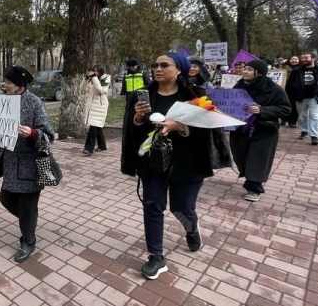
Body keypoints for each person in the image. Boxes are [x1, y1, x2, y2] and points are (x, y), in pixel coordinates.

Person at [121, 52, 213, 280]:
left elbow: (208, 131)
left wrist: (179, 126)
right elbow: (131, 133)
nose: (158, 69)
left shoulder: (195, 96)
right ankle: (156, 257)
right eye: (155, 65)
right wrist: (138, 119)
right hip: (153, 162)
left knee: (181, 208)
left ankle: (191, 227)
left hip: (187, 163)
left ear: (179, 69)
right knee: (153, 206)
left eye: (164, 65)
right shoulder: (141, 96)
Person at [0, 66, 55, 263]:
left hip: (29, 165)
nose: (4, 85)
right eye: (5, 81)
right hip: (9, 163)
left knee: (27, 206)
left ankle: (28, 241)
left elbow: (49, 136)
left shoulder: (34, 103)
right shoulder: (1, 101)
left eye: (8, 82)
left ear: (19, 84)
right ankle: (29, 221)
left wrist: (32, 134)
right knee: (6, 198)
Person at [229, 60, 291, 202]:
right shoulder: (239, 85)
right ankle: (248, 176)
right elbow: (232, 102)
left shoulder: (274, 89)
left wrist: (263, 110)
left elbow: (285, 109)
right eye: (245, 68)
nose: (245, 71)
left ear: (260, 73)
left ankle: (254, 188)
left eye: (249, 69)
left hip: (263, 130)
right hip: (241, 128)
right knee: (241, 155)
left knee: (258, 160)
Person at [287, 52, 318, 145]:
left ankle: (314, 136)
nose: (303, 60)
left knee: (315, 115)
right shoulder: (296, 71)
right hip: (300, 96)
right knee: (302, 116)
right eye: (302, 58)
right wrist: (292, 92)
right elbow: (290, 83)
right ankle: (304, 131)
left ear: (313, 58)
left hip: (315, 96)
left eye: (306, 58)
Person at [83, 65, 110, 155]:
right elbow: (82, 89)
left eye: (97, 71)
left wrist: (94, 77)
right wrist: (86, 79)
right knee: (97, 126)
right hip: (91, 104)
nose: (95, 73)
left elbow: (101, 90)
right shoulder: (91, 79)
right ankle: (102, 145)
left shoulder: (106, 78)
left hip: (100, 105)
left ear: (101, 72)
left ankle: (89, 148)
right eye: (94, 71)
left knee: (93, 126)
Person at [281, 56, 300, 127]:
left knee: (294, 106)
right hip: (285, 89)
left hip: (296, 89)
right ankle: (283, 119)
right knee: (284, 104)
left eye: (296, 59)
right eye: (292, 59)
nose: (294, 60)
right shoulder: (283, 68)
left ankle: (292, 122)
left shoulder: (301, 68)